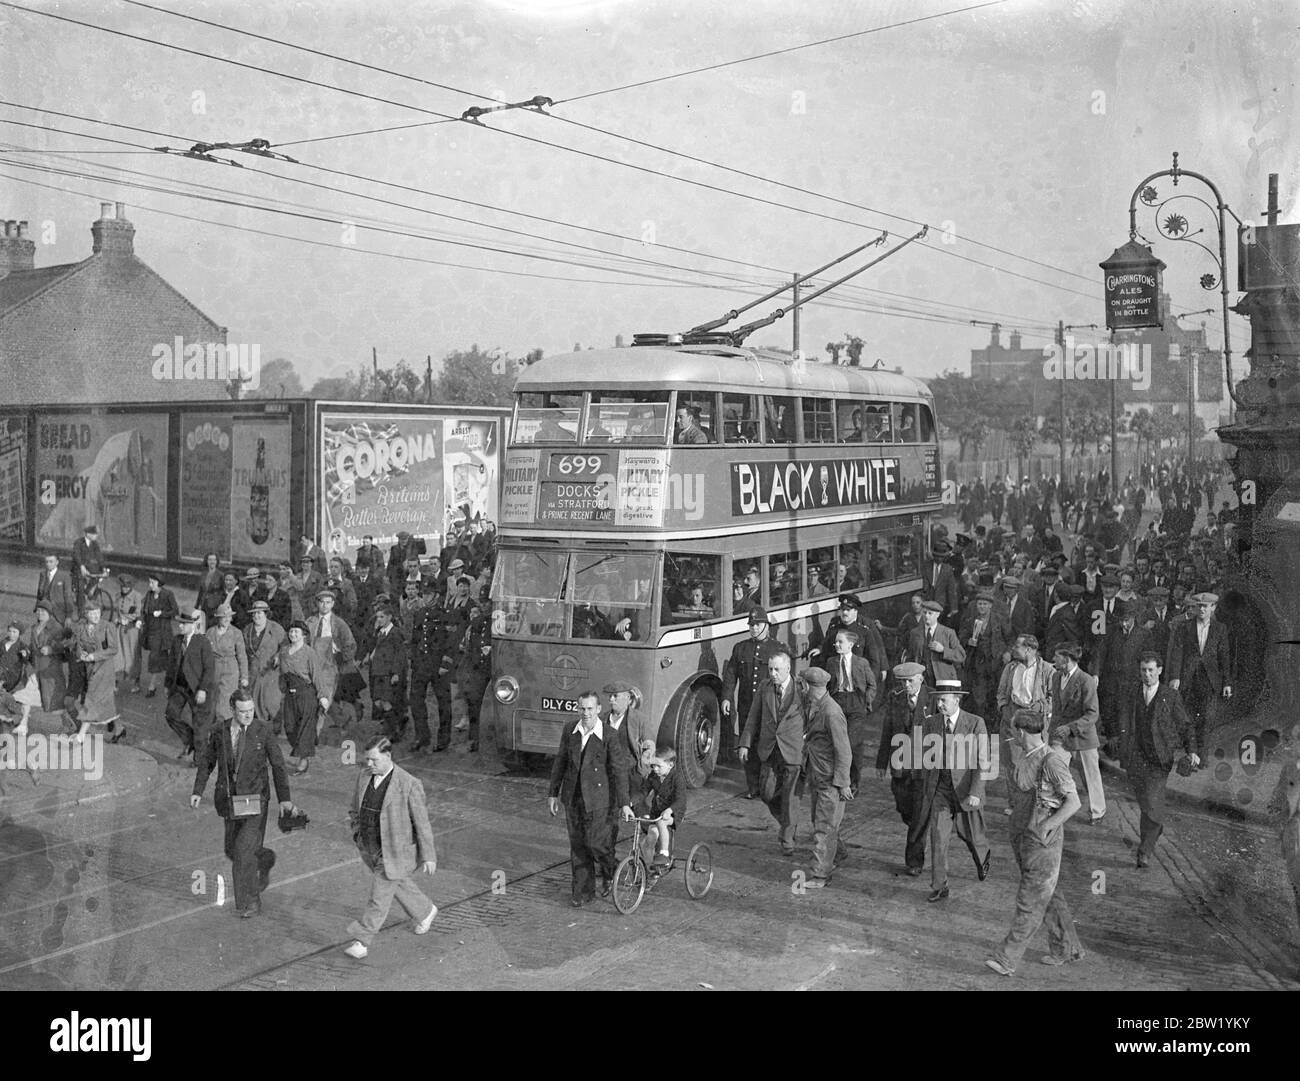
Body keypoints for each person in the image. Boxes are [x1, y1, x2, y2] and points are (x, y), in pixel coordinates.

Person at [984, 708, 1084, 976]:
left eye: (1012, 730)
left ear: (1020, 731)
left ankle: (1007, 958)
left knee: (1029, 900)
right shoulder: (1025, 755)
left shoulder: (1051, 761)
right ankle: (1066, 947)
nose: (1010, 735)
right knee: (1048, 894)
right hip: (1024, 838)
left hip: (1043, 843)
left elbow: (1074, 802)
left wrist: (1046, 827)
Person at [190, 688, 295, 918]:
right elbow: (207, 761)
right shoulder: (220, 731)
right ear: (232, 709)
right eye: (242, 711)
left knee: (243, 852)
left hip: (256, 800)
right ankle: (264, 859)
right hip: (230, 801)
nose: (248, 715)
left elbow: (278, 765)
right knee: (232, 850)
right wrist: (198, 790)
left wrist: (285, 800)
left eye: (250, 710)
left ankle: (250, 901)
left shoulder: (262, 731)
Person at [343, 735, 438, 958]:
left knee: (380, 895)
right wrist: (357, 833)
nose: (369, 764)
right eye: (367, 759)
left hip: (395, 851)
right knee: (397, 882)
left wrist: (429, 856)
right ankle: (425, 911)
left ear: (388, 756)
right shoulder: (364, 776)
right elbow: (354, 808)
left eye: (374, 760)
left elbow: (422, 823)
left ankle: (362, 940)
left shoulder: (409, 784)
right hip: (370, 847)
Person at [547, 691, 633, 907]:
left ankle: (610, 870)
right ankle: (583, 892)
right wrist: (553, 793)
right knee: (578, 846)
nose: (585, 713)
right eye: (582, 709)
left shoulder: (610, 735)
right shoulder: (570, 730)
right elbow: (561, 762)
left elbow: (619, 770)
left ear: (598, 710)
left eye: (589, 709)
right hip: (574, 797)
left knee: (596, 843)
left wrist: (624, 803)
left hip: (600, 801)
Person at [1122, 653, 1199, 868]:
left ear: (1160, 671)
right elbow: (1123, 719)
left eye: (1150, 670)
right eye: (1143, 670)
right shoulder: (1132, 692)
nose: (1146, 675)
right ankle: (1155, 826)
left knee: (1152, 800)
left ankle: (1145, 850)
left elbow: (1186, 725)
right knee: (1145, 802)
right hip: (1135, 755)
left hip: (1159, 758)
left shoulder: (1170, 696)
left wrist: (1191, 750)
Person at [923, 678, 991, 902]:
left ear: (957, 700)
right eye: (937, 701)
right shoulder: (931, 723)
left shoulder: (974, 723)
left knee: (971, 835)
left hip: (966, 790)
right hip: (941, 790)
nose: (940, 705)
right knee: (938, 838)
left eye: (943, 700)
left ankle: (983, 857)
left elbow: (983, 761)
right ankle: (940, 886)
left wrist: (975, 791)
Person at [739, 649, 805, 856]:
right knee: (767, 793)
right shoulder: (764, 687)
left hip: (794, 752)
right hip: (769, 751)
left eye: (777, 669)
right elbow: (753, 716)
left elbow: (815, 716)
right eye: (770, 669)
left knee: (790, 799)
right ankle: (788, 824)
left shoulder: (802, 689)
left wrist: (808, 738)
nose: (773, 673)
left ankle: (787, 840)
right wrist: (745, 744)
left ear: (788, 668)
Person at [721, 607, 784, 793]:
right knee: (747, 744)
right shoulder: (740, 648)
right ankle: (753, 786)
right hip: (746, 706)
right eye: (751, 625)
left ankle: (768, 785)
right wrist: (727, 698)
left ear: (766, 626)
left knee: (766, 745)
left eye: (758, 625)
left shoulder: (777, 648)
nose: (754, 628)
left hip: (768, 706)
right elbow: (731, 674)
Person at [799, 667, 853, 887]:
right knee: (823, 822)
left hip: (830, 780)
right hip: (819, 775)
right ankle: (837, 855)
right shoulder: (815, 705)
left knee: (824, 827)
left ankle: (821, 874)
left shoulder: (831, 712)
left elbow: (844, 750)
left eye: (802, 684)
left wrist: (843, 784)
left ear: (808, 686)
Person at [876, 662, 930, 874]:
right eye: (903, 681)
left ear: (921, 679)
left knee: (919, 814)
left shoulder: (934, 699)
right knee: (904, 807)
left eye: (910, 680)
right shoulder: (895, 697)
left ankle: (914, 862)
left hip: (925, 765)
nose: (907, 685)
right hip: (900, 764)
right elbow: (887, 729)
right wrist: (881, 762)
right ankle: (916, 826)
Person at [1166, 592, 1232, 756]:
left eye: (1206, 606)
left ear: (1213, 608)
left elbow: (1224, 657)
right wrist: (1175, 677)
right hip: (1188, 679)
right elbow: (1177, 653)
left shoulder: (1220, 629)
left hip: (1210, 680)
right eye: (1199, 606)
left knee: (1207, 719)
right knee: (1188, 718)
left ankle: (1202, 755)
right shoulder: (1184, 627)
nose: (1202, 609)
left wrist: (1227, 683)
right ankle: (1192, 753)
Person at [1049, 643, 1104, 823]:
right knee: (1054, 770)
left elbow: (1092, 713)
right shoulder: (1056, 677)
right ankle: (1054, 806)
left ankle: (1097, 811)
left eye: (1057, 656)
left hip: (1083, 736)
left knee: (1090, 776)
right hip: (1061, 737)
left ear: (1066, 659)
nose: (1054, 659)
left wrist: (1071, 728)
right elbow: (1056, 710)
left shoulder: (1085, 680)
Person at [825, 627, 876, 793]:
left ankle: (853, 781)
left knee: (852, 743)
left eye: (841, 642)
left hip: (856, 702)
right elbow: (827, 685)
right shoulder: (831, 662)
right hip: (837, 701)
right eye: (836, 642)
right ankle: (838, 778)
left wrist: (865, 702)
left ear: (851, 644)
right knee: (836, 740)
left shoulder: (862, 663)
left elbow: (871, 685)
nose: (837, 645)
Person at [165, 609, 217, 764]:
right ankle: (189, 739)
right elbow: (171, 665)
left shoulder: (202, 642)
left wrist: (202, 689)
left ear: (193, 624)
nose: (180, 626)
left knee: (200, 724)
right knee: (170, 714)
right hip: (180, 687)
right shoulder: (176, 641)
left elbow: (209, 668)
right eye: (180, 623)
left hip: (197, 689)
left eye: (184, 624)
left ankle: (199, 759)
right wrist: (168, 685)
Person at [277, 620, 328, 775]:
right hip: (290, 695)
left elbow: (317, 675)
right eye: (291, 632)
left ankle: (303, 761)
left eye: (296, 632)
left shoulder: (309, 652)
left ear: (304, 635)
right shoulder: (284, 651)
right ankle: (302, 752)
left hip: (306, 694)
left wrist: (323, 696)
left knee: (305, 728)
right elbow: (282, 672)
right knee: (290, 727)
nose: (293, 634)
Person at [639, 745, 686, 871]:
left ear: (670, 765)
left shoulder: (677, 778)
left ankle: (664, 854)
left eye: (658, 766)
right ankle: (651, 871)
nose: (655, 769)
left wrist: (670, 810)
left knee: (661, 822)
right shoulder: (654, 776)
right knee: (648, 841)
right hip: (657, 812)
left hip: (673, 813)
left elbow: (681, 800)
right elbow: (643, 791)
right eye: (653, 765)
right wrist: (630, 803)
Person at [366, 604, 408, 741]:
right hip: (378, 671)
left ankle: (392, 731)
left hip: (388, 672)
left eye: (382, 617)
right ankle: (392, 726)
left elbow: (400, 654)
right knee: (378, 701)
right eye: (377, 617)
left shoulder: (395, 633)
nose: (379, 619)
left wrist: (396, 673)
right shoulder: (379, 632)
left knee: (386, 702)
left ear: (389, 617)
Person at [207, 603, 249, 731]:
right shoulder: (210, 632)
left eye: (229, 617)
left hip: (230, 671)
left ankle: (226, 733)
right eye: (223, 617)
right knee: (211, 703)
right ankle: (213, 734)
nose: (226, 619)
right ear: (218, 618)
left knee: (224, 705)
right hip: (213, 670)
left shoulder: (236, 633)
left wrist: (244, 676)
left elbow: (242, 656)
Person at [244, 599, 286, 727]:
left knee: (270, 702)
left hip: (270, 671)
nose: (256, 616)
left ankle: (275, 728)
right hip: (253, 671)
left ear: (266, 614)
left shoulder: (276, 628)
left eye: (260, 613)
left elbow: (285, 646)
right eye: (254, 613)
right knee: (253, 700)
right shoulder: (247, 629)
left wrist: (279, 656)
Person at [904, 600, 966, 687]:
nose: (926, 616)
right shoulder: (915, 633)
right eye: (924, 613)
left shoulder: (948, 633)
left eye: (930, 613)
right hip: (922, 679)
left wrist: (943, 650)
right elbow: (910, 656)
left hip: (943, 679)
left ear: (937, 615)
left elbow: (961, 655)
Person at [457, 600, 492, 752]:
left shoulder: (498, 621)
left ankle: (488, 739)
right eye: (483, 603)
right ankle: (474, 739)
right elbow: (470, 648)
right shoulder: (476, 622)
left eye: (487, 603)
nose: (485, 606)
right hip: (477, 669)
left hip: (492, 668)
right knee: (474, 703)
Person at [25, 601, 67, 726]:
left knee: (55, 705)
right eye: (38, 611)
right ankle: (23, 724)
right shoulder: (34, 628)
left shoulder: (57, 628)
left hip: (50, 671)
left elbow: (65, 648)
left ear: (50, 613)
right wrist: (26, 652)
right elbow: (32, 648)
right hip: (35, 669)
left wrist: (51, 649)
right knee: (25, 697)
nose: (40, 613)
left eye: (43, 611)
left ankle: (72, 726)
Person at [113, 573, 143, 689]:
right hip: (120, 628)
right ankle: (116, 680)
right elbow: (117, 611)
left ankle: (135, 681)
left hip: (132, 629)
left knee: (132, 655)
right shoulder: (117, 596)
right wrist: (118, 619)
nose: (124, 589)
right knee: (118, 654)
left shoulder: (137, 596)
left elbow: (137, 613)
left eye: (127, 586)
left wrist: (127, 619)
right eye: (123, 586)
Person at [36, 553, 77, 628]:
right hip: (44, 613)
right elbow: (39, 594)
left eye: (51, 562)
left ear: (57, 562)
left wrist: (68, 616)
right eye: (46, 562)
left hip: (59, 614)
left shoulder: (64, 576)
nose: (48, 564)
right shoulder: (43, 574)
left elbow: (68, 596)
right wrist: (37, 609)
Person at [195, 552, 224, 626]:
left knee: (213, 625)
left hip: (215, 605)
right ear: (206, 561)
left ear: (217, 561)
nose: (212, 562)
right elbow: (201, 591)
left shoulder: (221, 575)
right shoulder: (203, 574)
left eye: (214, 560)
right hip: (204, 604)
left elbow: (223, 592)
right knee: (203, 625)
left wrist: (220, 605)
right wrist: (197, 606)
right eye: (210, 559)